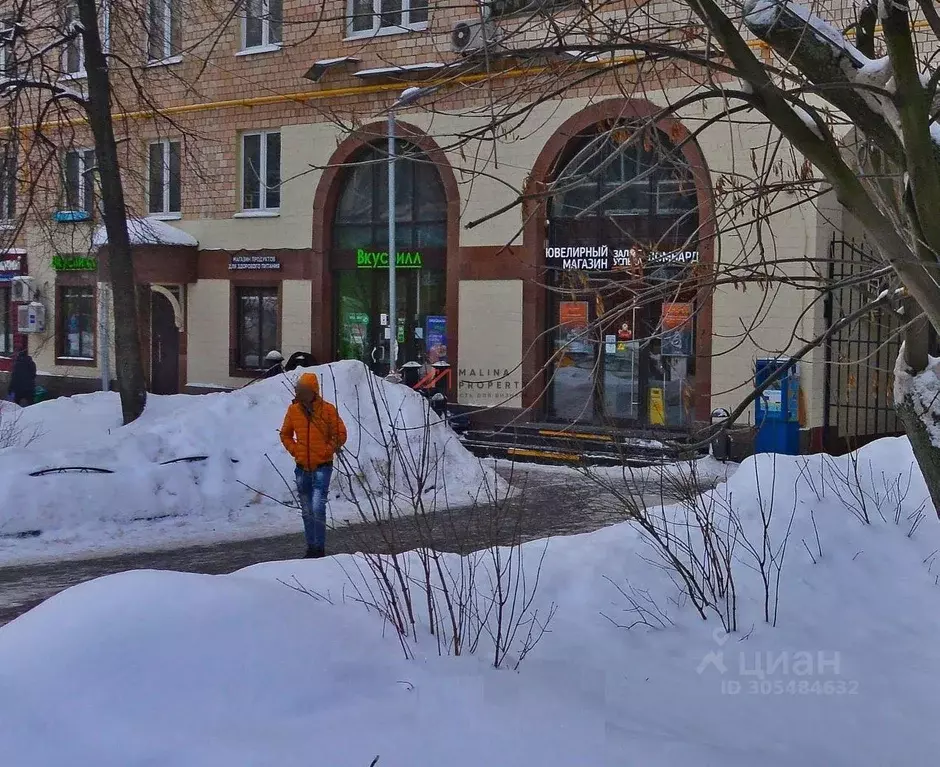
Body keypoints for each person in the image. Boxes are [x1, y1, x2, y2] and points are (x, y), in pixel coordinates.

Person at [279, 372, 347, 559]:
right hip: (301, 468)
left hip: (322, 466)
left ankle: (319, 548)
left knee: (318, 507)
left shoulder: (327, 410)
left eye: (304, 390)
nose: (300, 394)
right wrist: (295, 450)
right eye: (299, 390)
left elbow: (340, 434)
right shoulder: (293, 411)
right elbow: (285, 434)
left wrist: (327, 450)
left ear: (313, 391)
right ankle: (311, 548)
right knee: (307, 510)